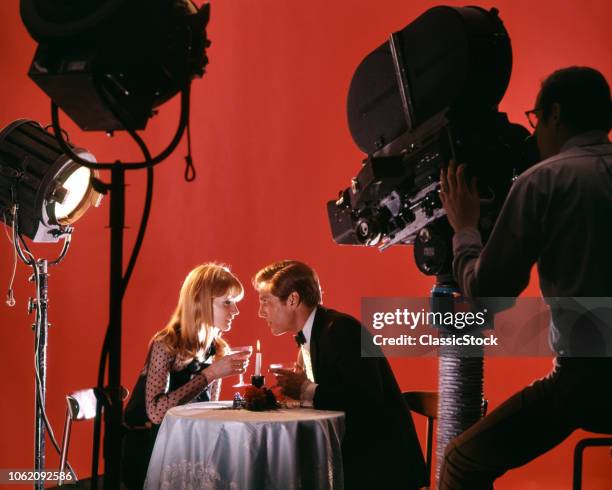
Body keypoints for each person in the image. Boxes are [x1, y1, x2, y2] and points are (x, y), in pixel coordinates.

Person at [437, 66, 612, 488]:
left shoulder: (544, 181)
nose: (532, 136)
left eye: (535, 120)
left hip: (586, 383)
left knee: (460, 462)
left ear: (553, 114)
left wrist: (464, 228)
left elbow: (489, 292)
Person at [253, 260, 427, 490]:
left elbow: (366, 401)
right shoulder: (316, 332)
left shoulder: (341, 329)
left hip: (381, 470)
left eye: (265, 302)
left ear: (293, 300)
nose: (260, 312)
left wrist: (305, 389)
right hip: (356, 459)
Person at [121, 263, 251, 489]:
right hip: (146, 448)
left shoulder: (217, 348)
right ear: (200, 303)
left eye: (235, 303)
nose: (235, 311)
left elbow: (206, 409)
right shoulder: (166, 343)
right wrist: (211, 374)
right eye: (227, 303)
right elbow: (157, 413)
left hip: (185, 443)